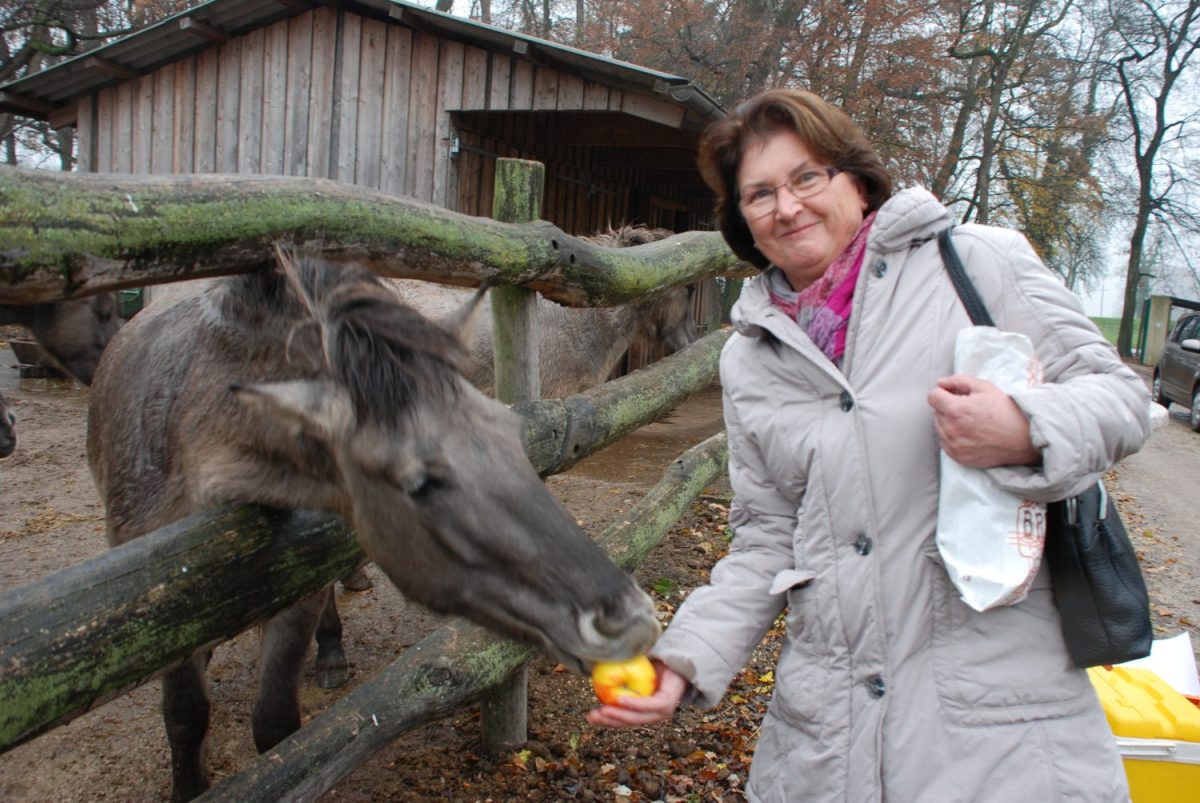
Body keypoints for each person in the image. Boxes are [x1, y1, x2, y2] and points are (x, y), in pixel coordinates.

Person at [587, 88, 1150, 801]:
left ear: (857, 180)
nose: (786, 206)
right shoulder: (751, 357)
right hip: (828, 738)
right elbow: (766, 538)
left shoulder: (977, 266)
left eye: (806, 177)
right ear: (742, 223)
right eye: (759, 194)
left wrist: (1025, 428)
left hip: (996, 728)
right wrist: (686, 660)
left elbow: (1124, 399)